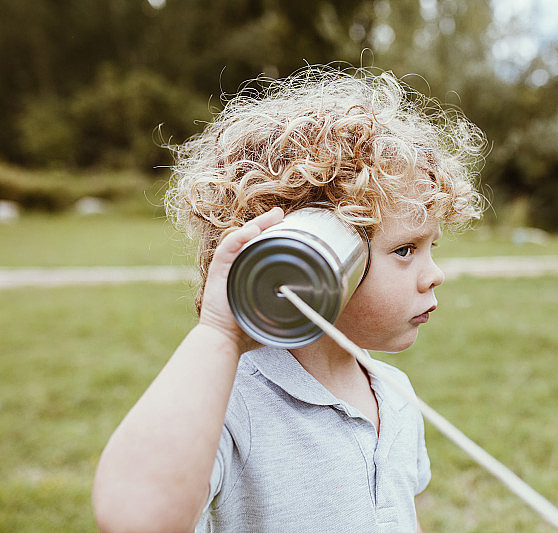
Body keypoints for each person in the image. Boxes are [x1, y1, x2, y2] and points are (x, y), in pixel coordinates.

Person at [91, 66, 485, 533]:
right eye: (405, 250)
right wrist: (219, 334)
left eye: (430, 247)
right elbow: (135, 516)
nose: (434, 275)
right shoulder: (232, 401)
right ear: (317, 253)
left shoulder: (394, 394)